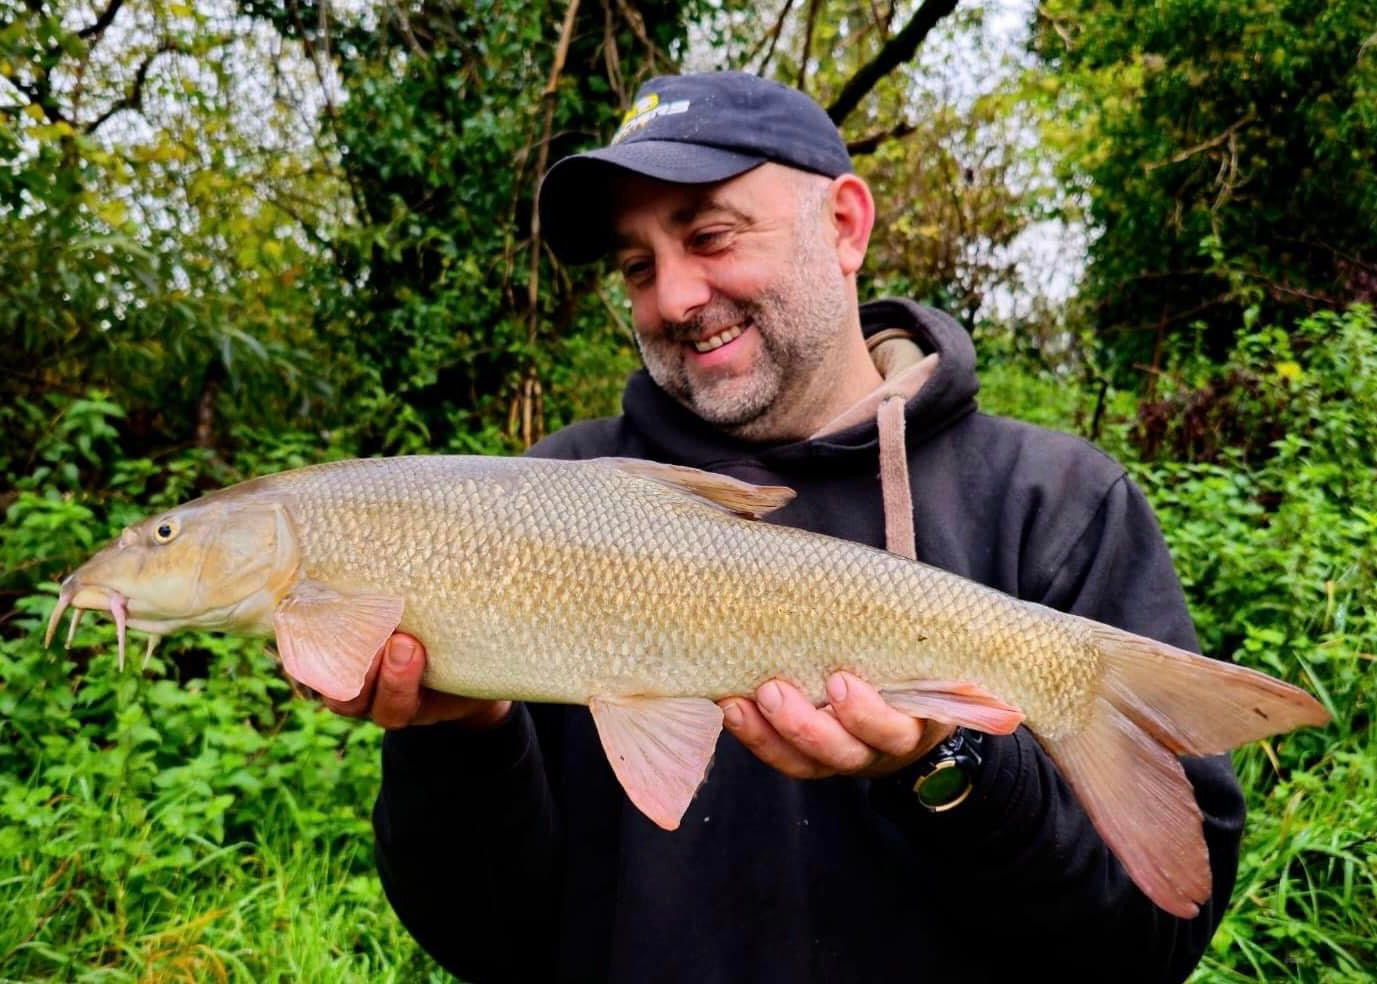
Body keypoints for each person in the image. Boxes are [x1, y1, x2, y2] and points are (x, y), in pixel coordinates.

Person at [324, 72, 1245, 982]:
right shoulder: (544, 500)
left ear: (844, 224)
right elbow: (489, 946)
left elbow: (1141, 953)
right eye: (637, 266)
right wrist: (462, 737)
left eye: (710, 236)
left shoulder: (1054, 501)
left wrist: (951, 765)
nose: (676, 297)